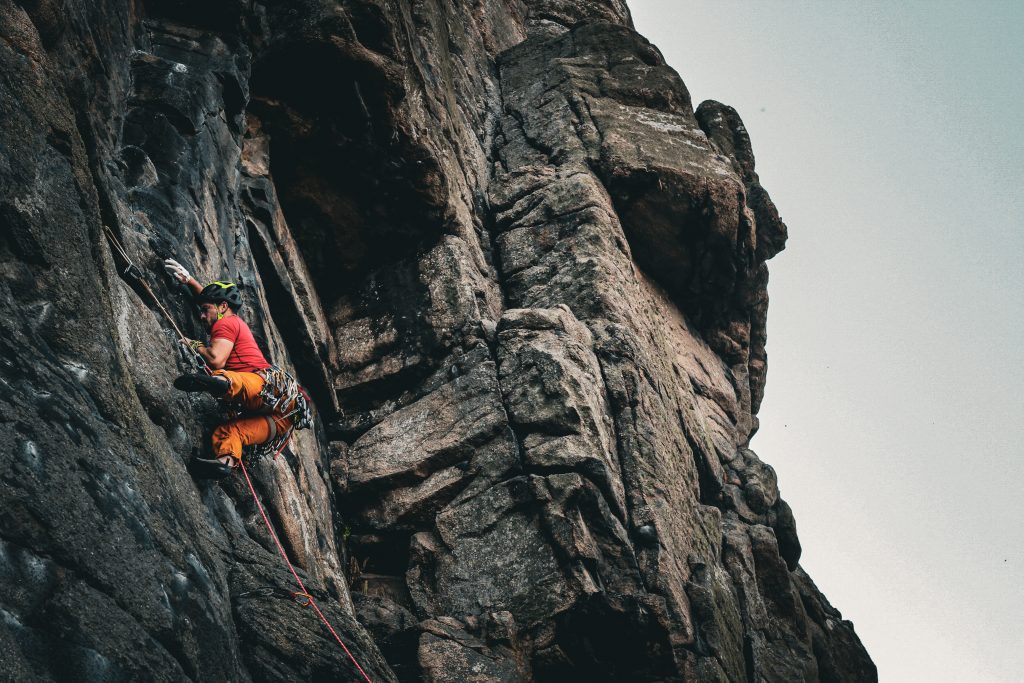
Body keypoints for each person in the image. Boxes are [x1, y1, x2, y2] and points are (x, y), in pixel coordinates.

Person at [163, 258, 293, 478]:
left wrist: (194, 344)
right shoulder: (227, 317)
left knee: (235, 380)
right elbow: (212, 302)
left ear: (224, 307)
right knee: (230, 432)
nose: (201, 316)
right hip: (280, 420)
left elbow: (215, 359)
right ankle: (223, 463)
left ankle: (221, 383)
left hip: (265, 387)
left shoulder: (228, 322)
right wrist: (191, 282)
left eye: (205, 311)